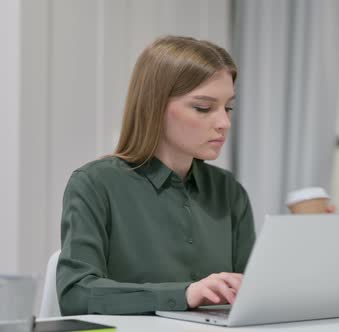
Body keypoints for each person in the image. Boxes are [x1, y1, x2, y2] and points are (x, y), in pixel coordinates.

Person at [59, 36, 250, 316]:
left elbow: (255, 292)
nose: (224, 123)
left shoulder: (229, 191)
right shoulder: (95, 184)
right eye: (203, 108)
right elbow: (75, 294)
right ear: (155, 106)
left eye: (228, 107)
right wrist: (184, 294)